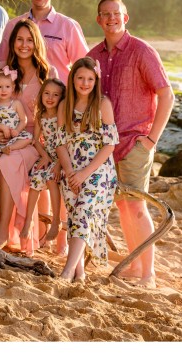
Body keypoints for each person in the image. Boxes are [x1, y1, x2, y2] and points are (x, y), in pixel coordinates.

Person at [87, 0, 174, 288]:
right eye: (105, 14)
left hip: (136, 142)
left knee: (137, 207)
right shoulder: (94, 56)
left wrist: (151, 140)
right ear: (98, 20)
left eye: (116, 13)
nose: (111, 18)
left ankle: (148, 273)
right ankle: (136, 264)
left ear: (126, 17)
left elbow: (166, 95)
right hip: (106, 145)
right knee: (124, 207)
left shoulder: (141, 51)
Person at [0, 19, 58, 254]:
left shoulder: (47, 73)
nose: (24, 45)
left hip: (33, 141)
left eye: (29, 40)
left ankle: (4, 231)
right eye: (20, 40)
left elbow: (53, 116)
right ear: (12, 43)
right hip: (0, 137)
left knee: (7, 161)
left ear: (37, 44)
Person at [56, 57, 118, 282]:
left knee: (82, 210)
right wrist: (71, 171)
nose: (85, 83)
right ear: (72, 79)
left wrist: (85, 173)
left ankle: (67, 270)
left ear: (96, 80)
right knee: (73, 213)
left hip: (98, 169)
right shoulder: (65, 106)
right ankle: (80, 272)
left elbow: (110, 144)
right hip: (71, 166)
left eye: (90, 79)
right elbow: (60, 142)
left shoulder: (102, 104)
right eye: (80, 78)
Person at [0, 0, 88, 81]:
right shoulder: (13, 26)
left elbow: (85, 66)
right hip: (22, 96)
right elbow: (2, 64)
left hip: (59, 95)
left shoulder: (68, 26)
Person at [20, 77, 66, 248]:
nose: (50, 98)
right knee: (35, 179)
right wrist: (45, 156)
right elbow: (36, 140)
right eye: (47, 93)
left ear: (62, 98)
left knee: (50, 178)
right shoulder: (40, 115)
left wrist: (59, 162)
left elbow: (66, 141)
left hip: (62, 157)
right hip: (48, 155)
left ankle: (56, 221)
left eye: (55, 95)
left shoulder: (62, 116)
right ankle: (28, 222)